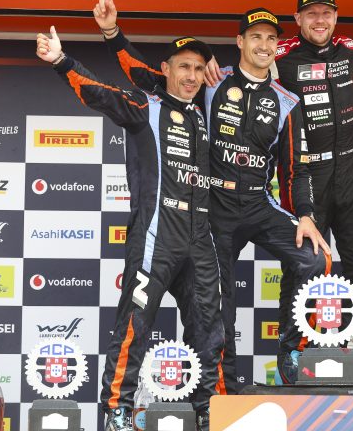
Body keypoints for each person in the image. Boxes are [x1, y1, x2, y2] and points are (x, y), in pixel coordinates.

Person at [92, 0, 330, 389]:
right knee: (219, 305)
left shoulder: (287, 102)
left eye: (270, 38)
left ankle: (293, 351)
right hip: (214, 209)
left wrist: (305, 215)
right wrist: (113, 34)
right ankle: (226, 389)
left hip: (259, 203)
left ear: (277, 45)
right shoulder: (210, 81)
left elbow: (297, 169)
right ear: (240, 42)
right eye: (255, 37)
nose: (263, 45)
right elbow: (146, 75)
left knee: (314, 258)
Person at [203, 0, 353, 360]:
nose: (320, 20)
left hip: (348, 171)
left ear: (335, 17)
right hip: (304, 174)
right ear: (298, 18)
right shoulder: (282, 56)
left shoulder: (350, 51)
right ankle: (295, 354)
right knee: (304, 264)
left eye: (326, 13)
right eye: (311, 13)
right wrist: (213, 69)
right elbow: (252, 71)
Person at [36, 27, 223, 430]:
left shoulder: (204, 112)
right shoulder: (145, 105)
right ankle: (117, 410)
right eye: (183, 67)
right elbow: (100, 93)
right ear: (165, 70)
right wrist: (62, 61)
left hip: (199, 238)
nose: (192, 76)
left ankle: (209, 409)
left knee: (209, 327)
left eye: (198, 68)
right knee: (135, 326)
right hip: (156, 236)